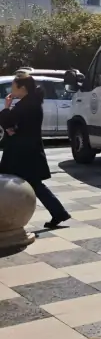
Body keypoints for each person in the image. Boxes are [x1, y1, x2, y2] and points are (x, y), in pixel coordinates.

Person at [0, 75, 72, 228]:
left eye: (13, 87)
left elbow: (8, 120)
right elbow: (13, 124)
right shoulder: (30, 103)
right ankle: (59, 213)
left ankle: (58, 213)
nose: (11, 90)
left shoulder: (27, 105)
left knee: (13, 181)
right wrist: (11, 128)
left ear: (22, 88)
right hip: (26, 150)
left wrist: (6, 107)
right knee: (34, 184)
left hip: (22, 152)